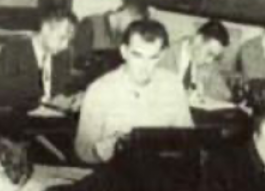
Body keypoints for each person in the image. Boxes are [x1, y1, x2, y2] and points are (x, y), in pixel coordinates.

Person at [75, 19, 193, 164]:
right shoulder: (100, 90)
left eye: (153, 57)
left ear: (162, 55)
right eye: (138, 56)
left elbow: (188, 137)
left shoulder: (172, 85)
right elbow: (83, 150)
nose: (145, 66)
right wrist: (98, 151)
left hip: (161, 169)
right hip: (115, 171)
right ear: (124, 52)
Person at [0, 8, 80, 113]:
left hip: (53, 117)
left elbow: (62, 89)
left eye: (69, 40)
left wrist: (70, 99)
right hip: (21, 118)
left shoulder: (62, 57)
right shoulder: (14, 50)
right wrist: (39, 101)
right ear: (45, 29)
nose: (65, 45)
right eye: (62, 38)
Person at [159, 19, 233, 102]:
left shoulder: (209, 65)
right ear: (198, 39)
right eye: (210, 53)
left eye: (215, 57)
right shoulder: (166, 52)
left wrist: (204, 90)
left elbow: (226, 95)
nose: (209, 61)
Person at [72, 0, 149, 61]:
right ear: (126, 12)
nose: (131, 28)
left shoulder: (124, 38)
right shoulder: (90, 24)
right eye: (132, 22)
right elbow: (78, 62)